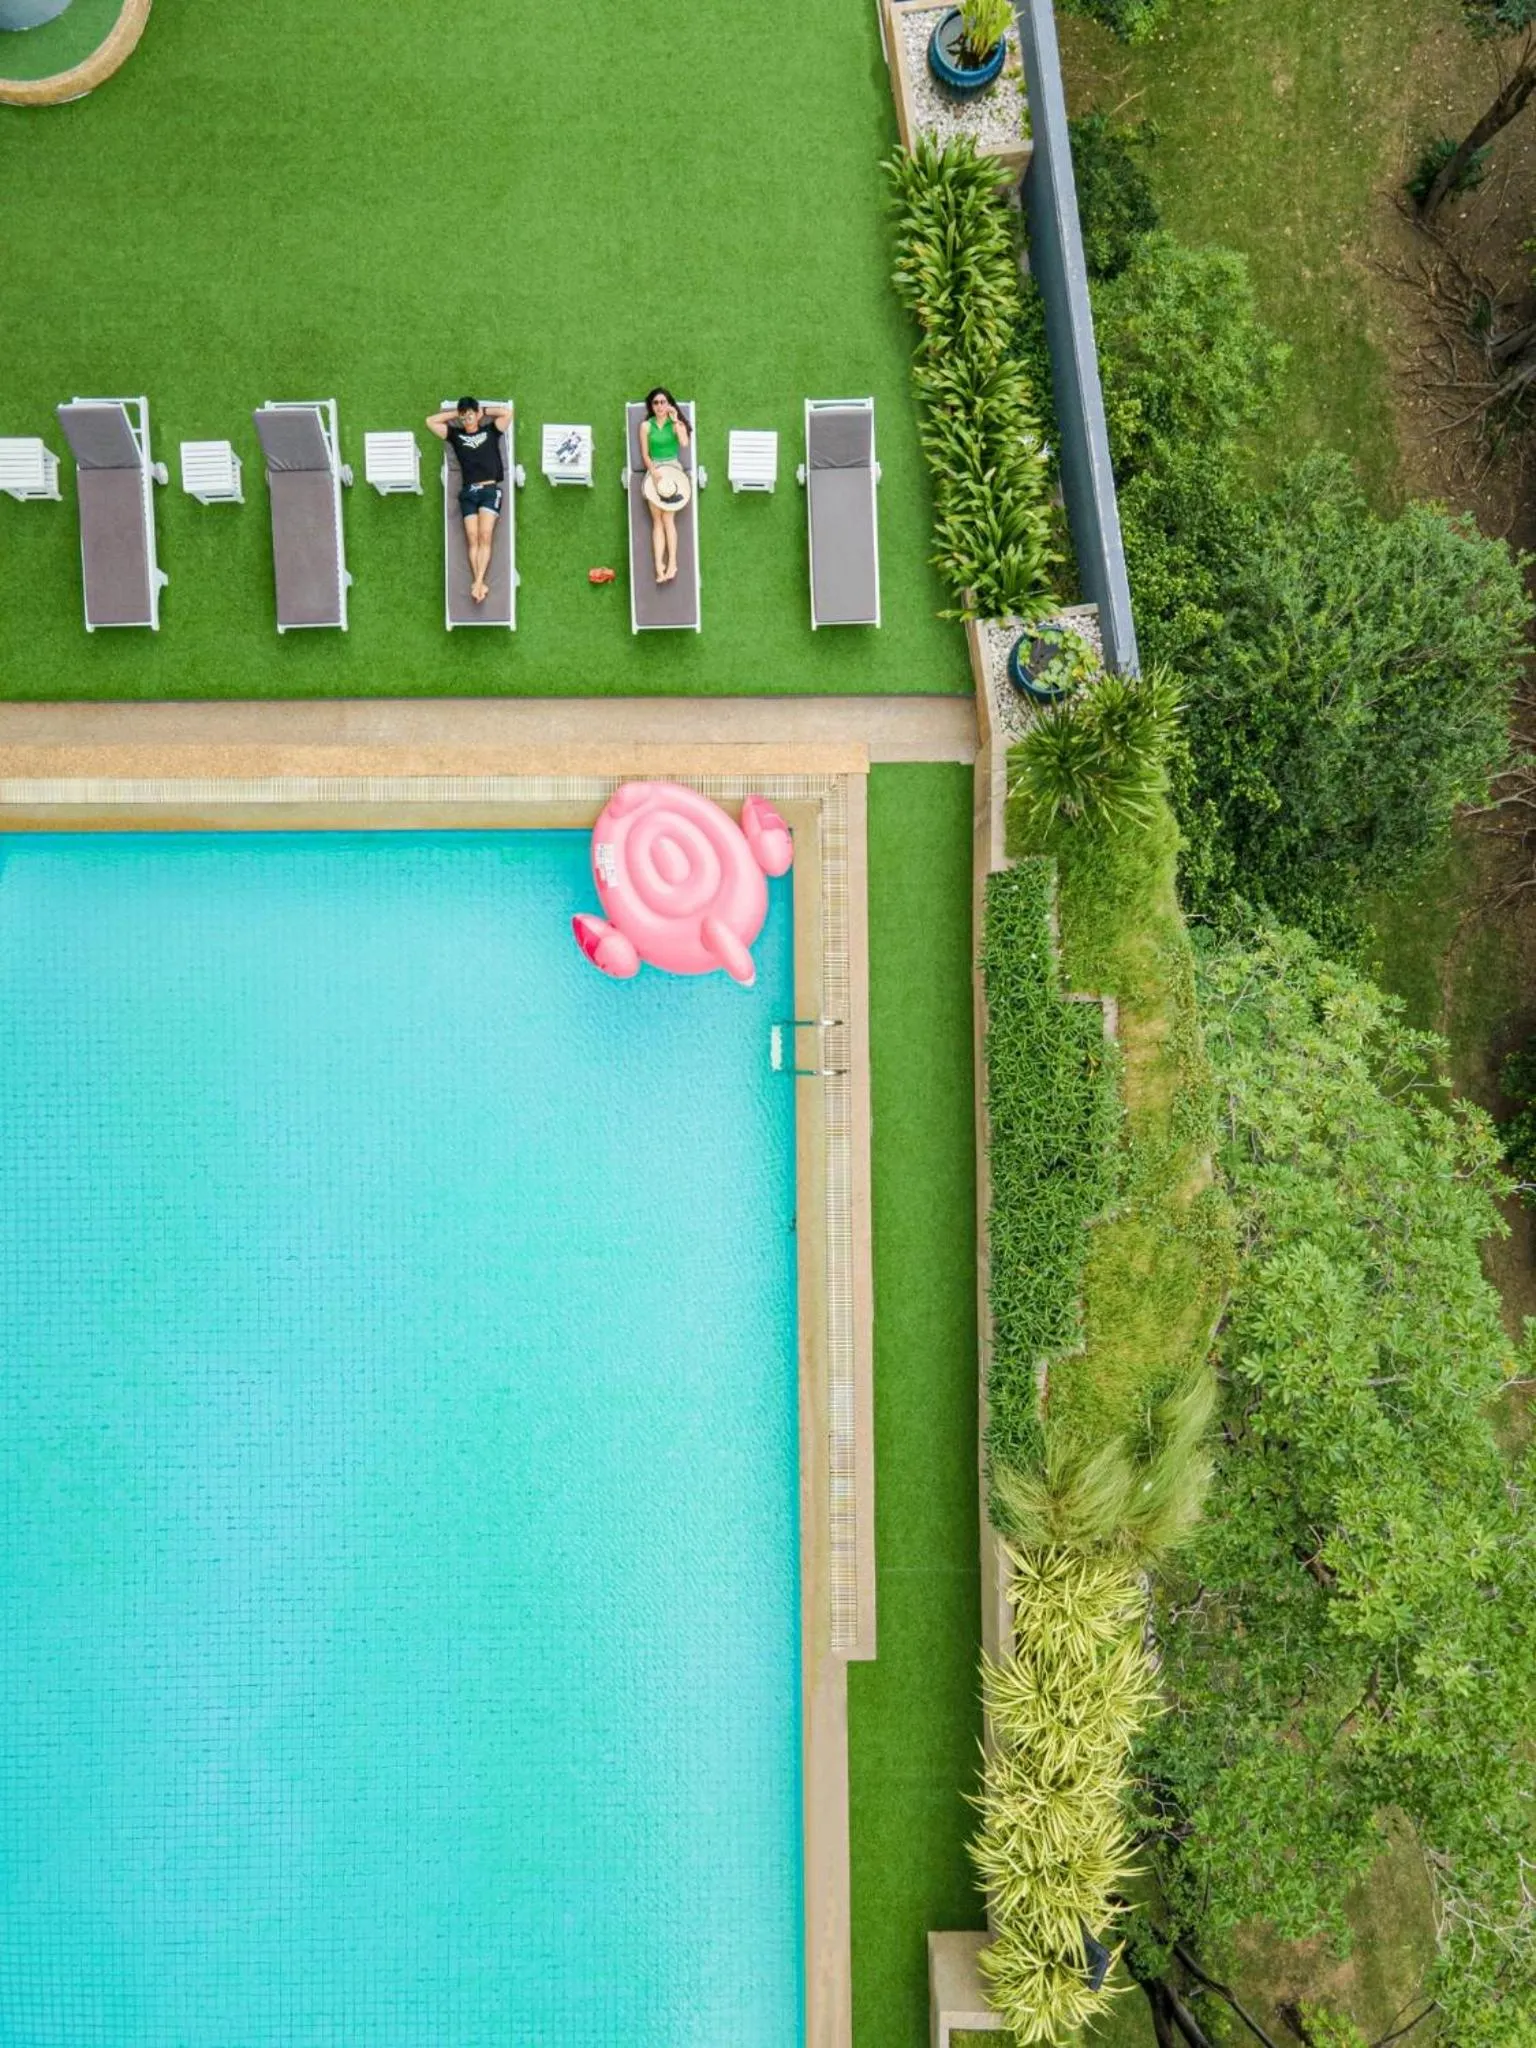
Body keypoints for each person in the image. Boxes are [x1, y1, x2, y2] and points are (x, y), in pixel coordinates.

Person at [426, 397, 512, 604]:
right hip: (468, 493)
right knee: (472, 538)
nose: (467, 418)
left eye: (470, 414)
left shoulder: (490, 431)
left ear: (477, 413)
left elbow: (507, 413)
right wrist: (456, 414)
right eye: (464, 416)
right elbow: (430, 421)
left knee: (484, 535)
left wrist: (483, 410)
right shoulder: (455, 436)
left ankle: (478, 581)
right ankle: (479, 583)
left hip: (489, 490)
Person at [639, 386, 690, 584]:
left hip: (673, 469)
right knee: (657, 519)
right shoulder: (646, 426)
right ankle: (659, 566)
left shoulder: (675, 424)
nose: (660, 406)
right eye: (656, 403)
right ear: (651, 406)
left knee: (668, 518)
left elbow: (684, 443)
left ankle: (673, 563)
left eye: (663, 402)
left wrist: (677, 420)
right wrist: (653, 472)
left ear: (669, 404)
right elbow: (645, 454)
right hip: (656, 469)